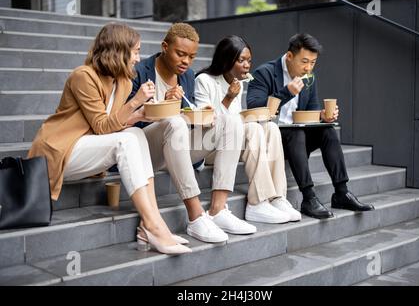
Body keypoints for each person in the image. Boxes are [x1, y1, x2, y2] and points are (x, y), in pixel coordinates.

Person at [28, 23, 191, 255]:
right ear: (119, 50)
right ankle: (153, 225)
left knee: (135, 134)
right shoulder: (83, 76)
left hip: (89, 147)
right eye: (135, 51)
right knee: (125, 141)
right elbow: (103, 126)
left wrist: (140, 113)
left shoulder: (122, 81)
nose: (138, 58)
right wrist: (135, 103)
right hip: (59, 151)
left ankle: (151, 224)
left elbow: (118, 123)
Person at [129, 23, 256, 243]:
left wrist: (202, 117)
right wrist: (164, 106)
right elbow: (125, 124)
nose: (186, 61)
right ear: (165, 47)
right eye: (180, 54)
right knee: (175, 122)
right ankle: (196, 216)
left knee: (230, 120)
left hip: (177, 149)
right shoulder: (139, 72)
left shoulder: (187, 77)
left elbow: (188, 118)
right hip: (145, 150)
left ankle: (217, 209)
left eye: (192, 57)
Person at [246, 33, 374, 219]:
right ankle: (308, 197)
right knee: (295, 133)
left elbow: (310, 113)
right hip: (271, 140)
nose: (308, 68)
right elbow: (253, 107)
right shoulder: (264, 73)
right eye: (304, 61)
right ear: (289, 56)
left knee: (328, 131)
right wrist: (286, 93)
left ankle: (341, 192)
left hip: (297, 141)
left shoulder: (308, 78)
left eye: (313, 62)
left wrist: (322, 116)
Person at [194, 35, 301, 223]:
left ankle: (276, 197)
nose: (247, 65)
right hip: (207, 145)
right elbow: (205, 121)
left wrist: (259, 117)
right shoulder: (204, 80)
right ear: (226, 60)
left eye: (249, 61)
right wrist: (227, 98)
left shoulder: (238, 83)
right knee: (253, 129)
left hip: (232, 141)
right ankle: (257, 203)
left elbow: (237, 119)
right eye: (241, 60)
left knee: (270, 128)